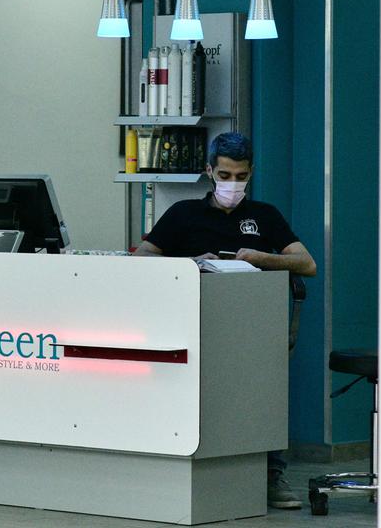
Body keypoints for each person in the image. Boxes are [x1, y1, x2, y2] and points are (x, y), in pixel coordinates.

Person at [135, 131, 316, 510]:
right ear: (209, 172)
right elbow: (142, 259)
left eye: (240, 176)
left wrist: (260, 258)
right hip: (194, 323)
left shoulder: (265, 216)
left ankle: (270, 473)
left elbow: (306, 263)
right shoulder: (184, 214)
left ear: (251, 174)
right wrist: (189, 264)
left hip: (253, 325)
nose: (232, 184)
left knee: (263, 394)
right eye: (225, 175)